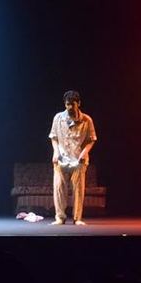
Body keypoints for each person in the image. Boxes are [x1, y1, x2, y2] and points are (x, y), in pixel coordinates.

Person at [49, 90, 97, 225]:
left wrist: (85, 152)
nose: (70, 107)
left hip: (78, 159)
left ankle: (77, 218)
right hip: (61, 159)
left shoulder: (86, 120)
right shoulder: (58, 118)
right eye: (67, 104)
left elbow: (92, 139)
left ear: (78, 104)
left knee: (78, 189)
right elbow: (54, 137)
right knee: (59, 188)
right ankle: (60, 217)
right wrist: (55, 152)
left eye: (72, 104)